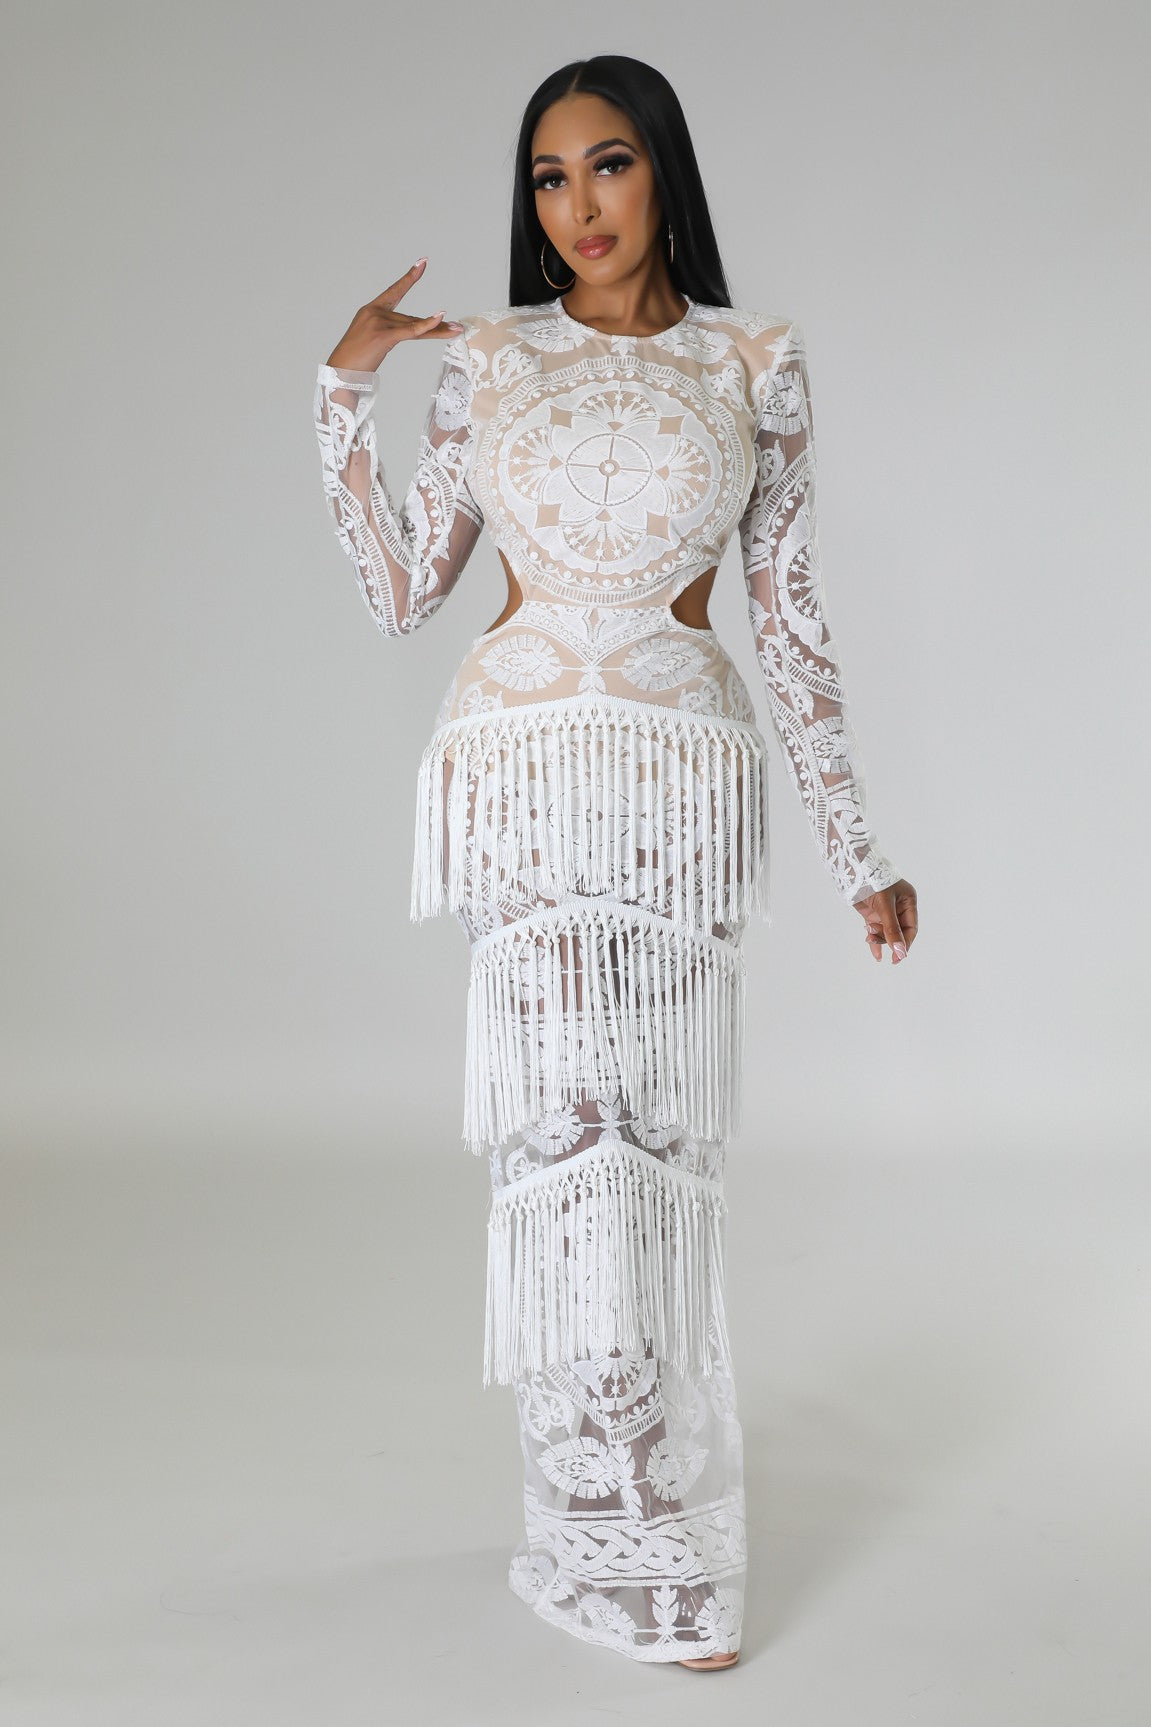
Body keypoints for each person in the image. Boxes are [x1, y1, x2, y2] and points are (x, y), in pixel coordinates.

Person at [312, 54, 918, 1671]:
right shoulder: (491, 361)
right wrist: (342, 391)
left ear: (664, 173)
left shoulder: (754, 361)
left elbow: (789, 621)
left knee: (657, 1149)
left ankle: (665, 1530)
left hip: (677, 783)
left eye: (608, 165)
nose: (577, 206)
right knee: (564, 1148)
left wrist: (860, 849)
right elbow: (404, 592)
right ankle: (608, 1527)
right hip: (519, 780)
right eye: (548, 178)